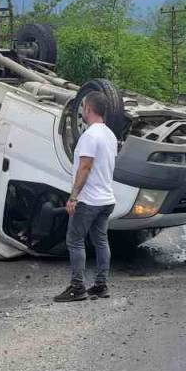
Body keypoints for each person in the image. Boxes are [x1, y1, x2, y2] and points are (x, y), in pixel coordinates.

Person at [55, 92, 118, 303]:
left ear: (89, 109)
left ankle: (77, 287)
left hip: (89, 200)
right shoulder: (110, 135)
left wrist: (73, 197)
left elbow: (85, 167)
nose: (82, 110)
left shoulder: (90, 136)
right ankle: (101, 285)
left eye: (83, 107)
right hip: (106, 199)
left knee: (75, 240)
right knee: (101, 240)